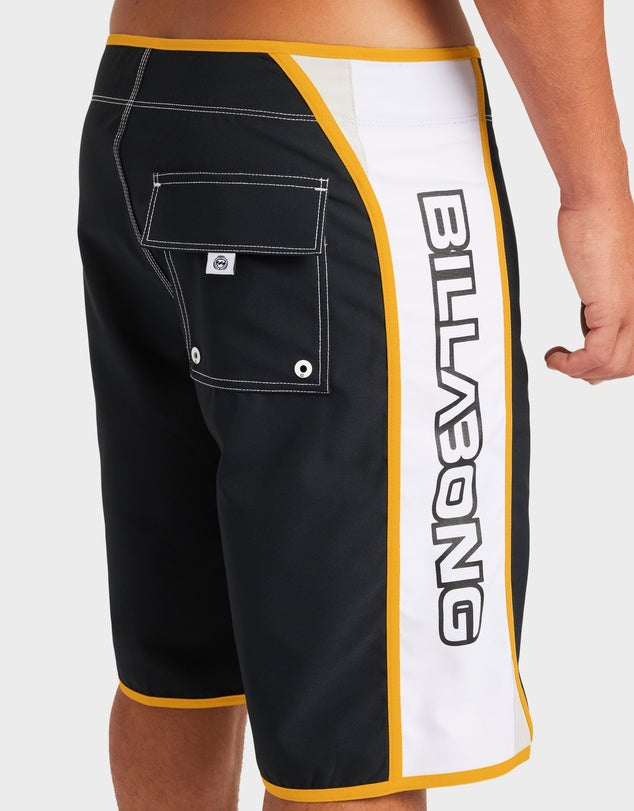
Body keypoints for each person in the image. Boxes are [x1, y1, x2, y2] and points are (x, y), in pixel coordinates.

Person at [77, 0, 634, 809]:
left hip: (142, 96)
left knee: (185, 663)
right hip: (344, 118)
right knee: (360, 740)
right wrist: (598, 195)